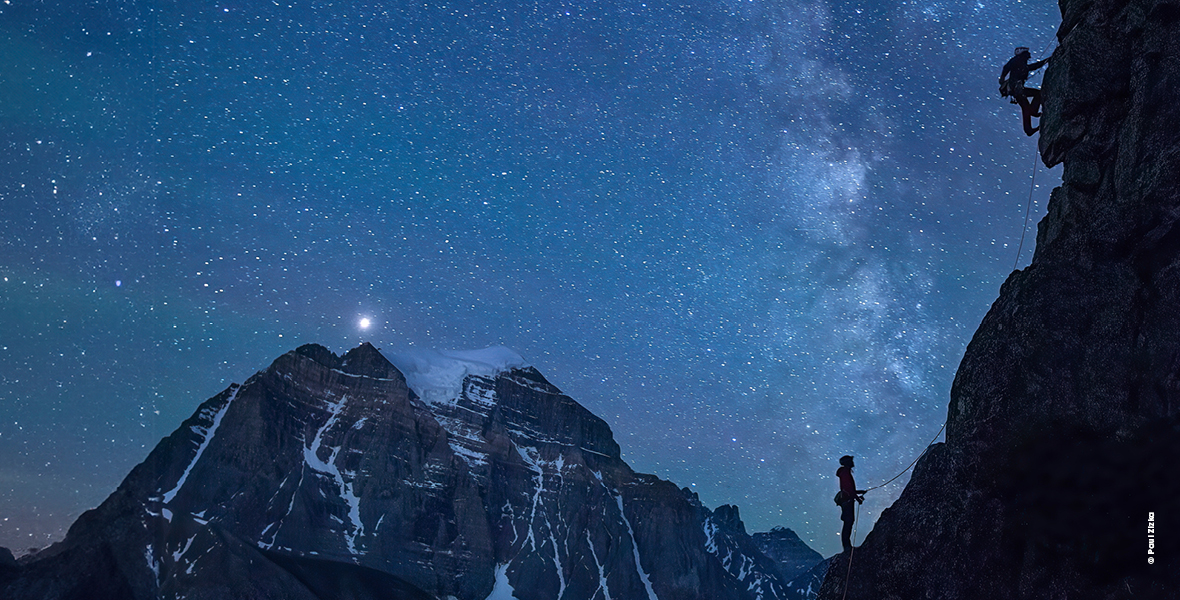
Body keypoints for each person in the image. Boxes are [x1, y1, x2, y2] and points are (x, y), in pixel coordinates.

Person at [999, 47, 1050, 136]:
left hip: (1015, 89)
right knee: (1034, 97)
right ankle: (1031, 118)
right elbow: (1007, 67)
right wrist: (1002, 77)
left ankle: (1029, 125)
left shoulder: (1020, 61)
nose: (1029, 54)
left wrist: (1045, 61)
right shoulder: (1017, 60)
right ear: (1023, 54)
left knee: (1026, 105)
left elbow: (1030, 67)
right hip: (1017, 89)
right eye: (1027, 53)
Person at [836, 455, 865, 553]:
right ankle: (847, 546)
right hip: (847, 501)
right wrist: (858, 498)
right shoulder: (845, 472)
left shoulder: (844, 472)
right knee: (848, 522)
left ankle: (847, 546)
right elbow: (848, 488)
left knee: (848, 522)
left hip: (846, 500)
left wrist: (858, 493)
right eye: (851, 461)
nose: (853, 463)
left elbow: (848, 488)